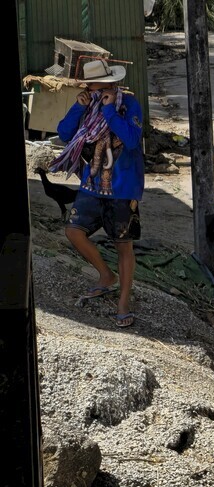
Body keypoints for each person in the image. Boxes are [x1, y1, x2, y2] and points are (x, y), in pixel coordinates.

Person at [50, 59, 144, 328]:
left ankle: (123, 303)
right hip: (91, 183)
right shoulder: (87, 105)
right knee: (73, 231)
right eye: (90, 87)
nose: (91, 90)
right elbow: (65, 133)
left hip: (123, 187)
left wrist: (110, 111)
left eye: (94, 86)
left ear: (109, 84)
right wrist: (79, 108)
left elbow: (131, 140)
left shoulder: (129, 105)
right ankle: (105, 275)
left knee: (123, 245)